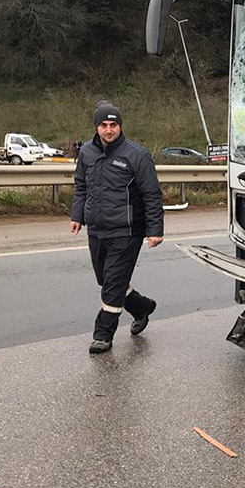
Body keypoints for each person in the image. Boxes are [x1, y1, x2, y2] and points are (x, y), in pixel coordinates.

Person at [70, 101, 164, 353]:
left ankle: (103, 334)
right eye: (103, 125)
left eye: (113, 125)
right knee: (107, 279)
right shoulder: (87, 153)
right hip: (97, 229)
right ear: (96, 127)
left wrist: (155, 229)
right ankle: (141, 307)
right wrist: (77, 216)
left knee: (112, 285)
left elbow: (152, 194)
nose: (109, 130)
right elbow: (81, 186)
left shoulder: (137, 155)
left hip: (127, 231)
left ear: (120, 127)